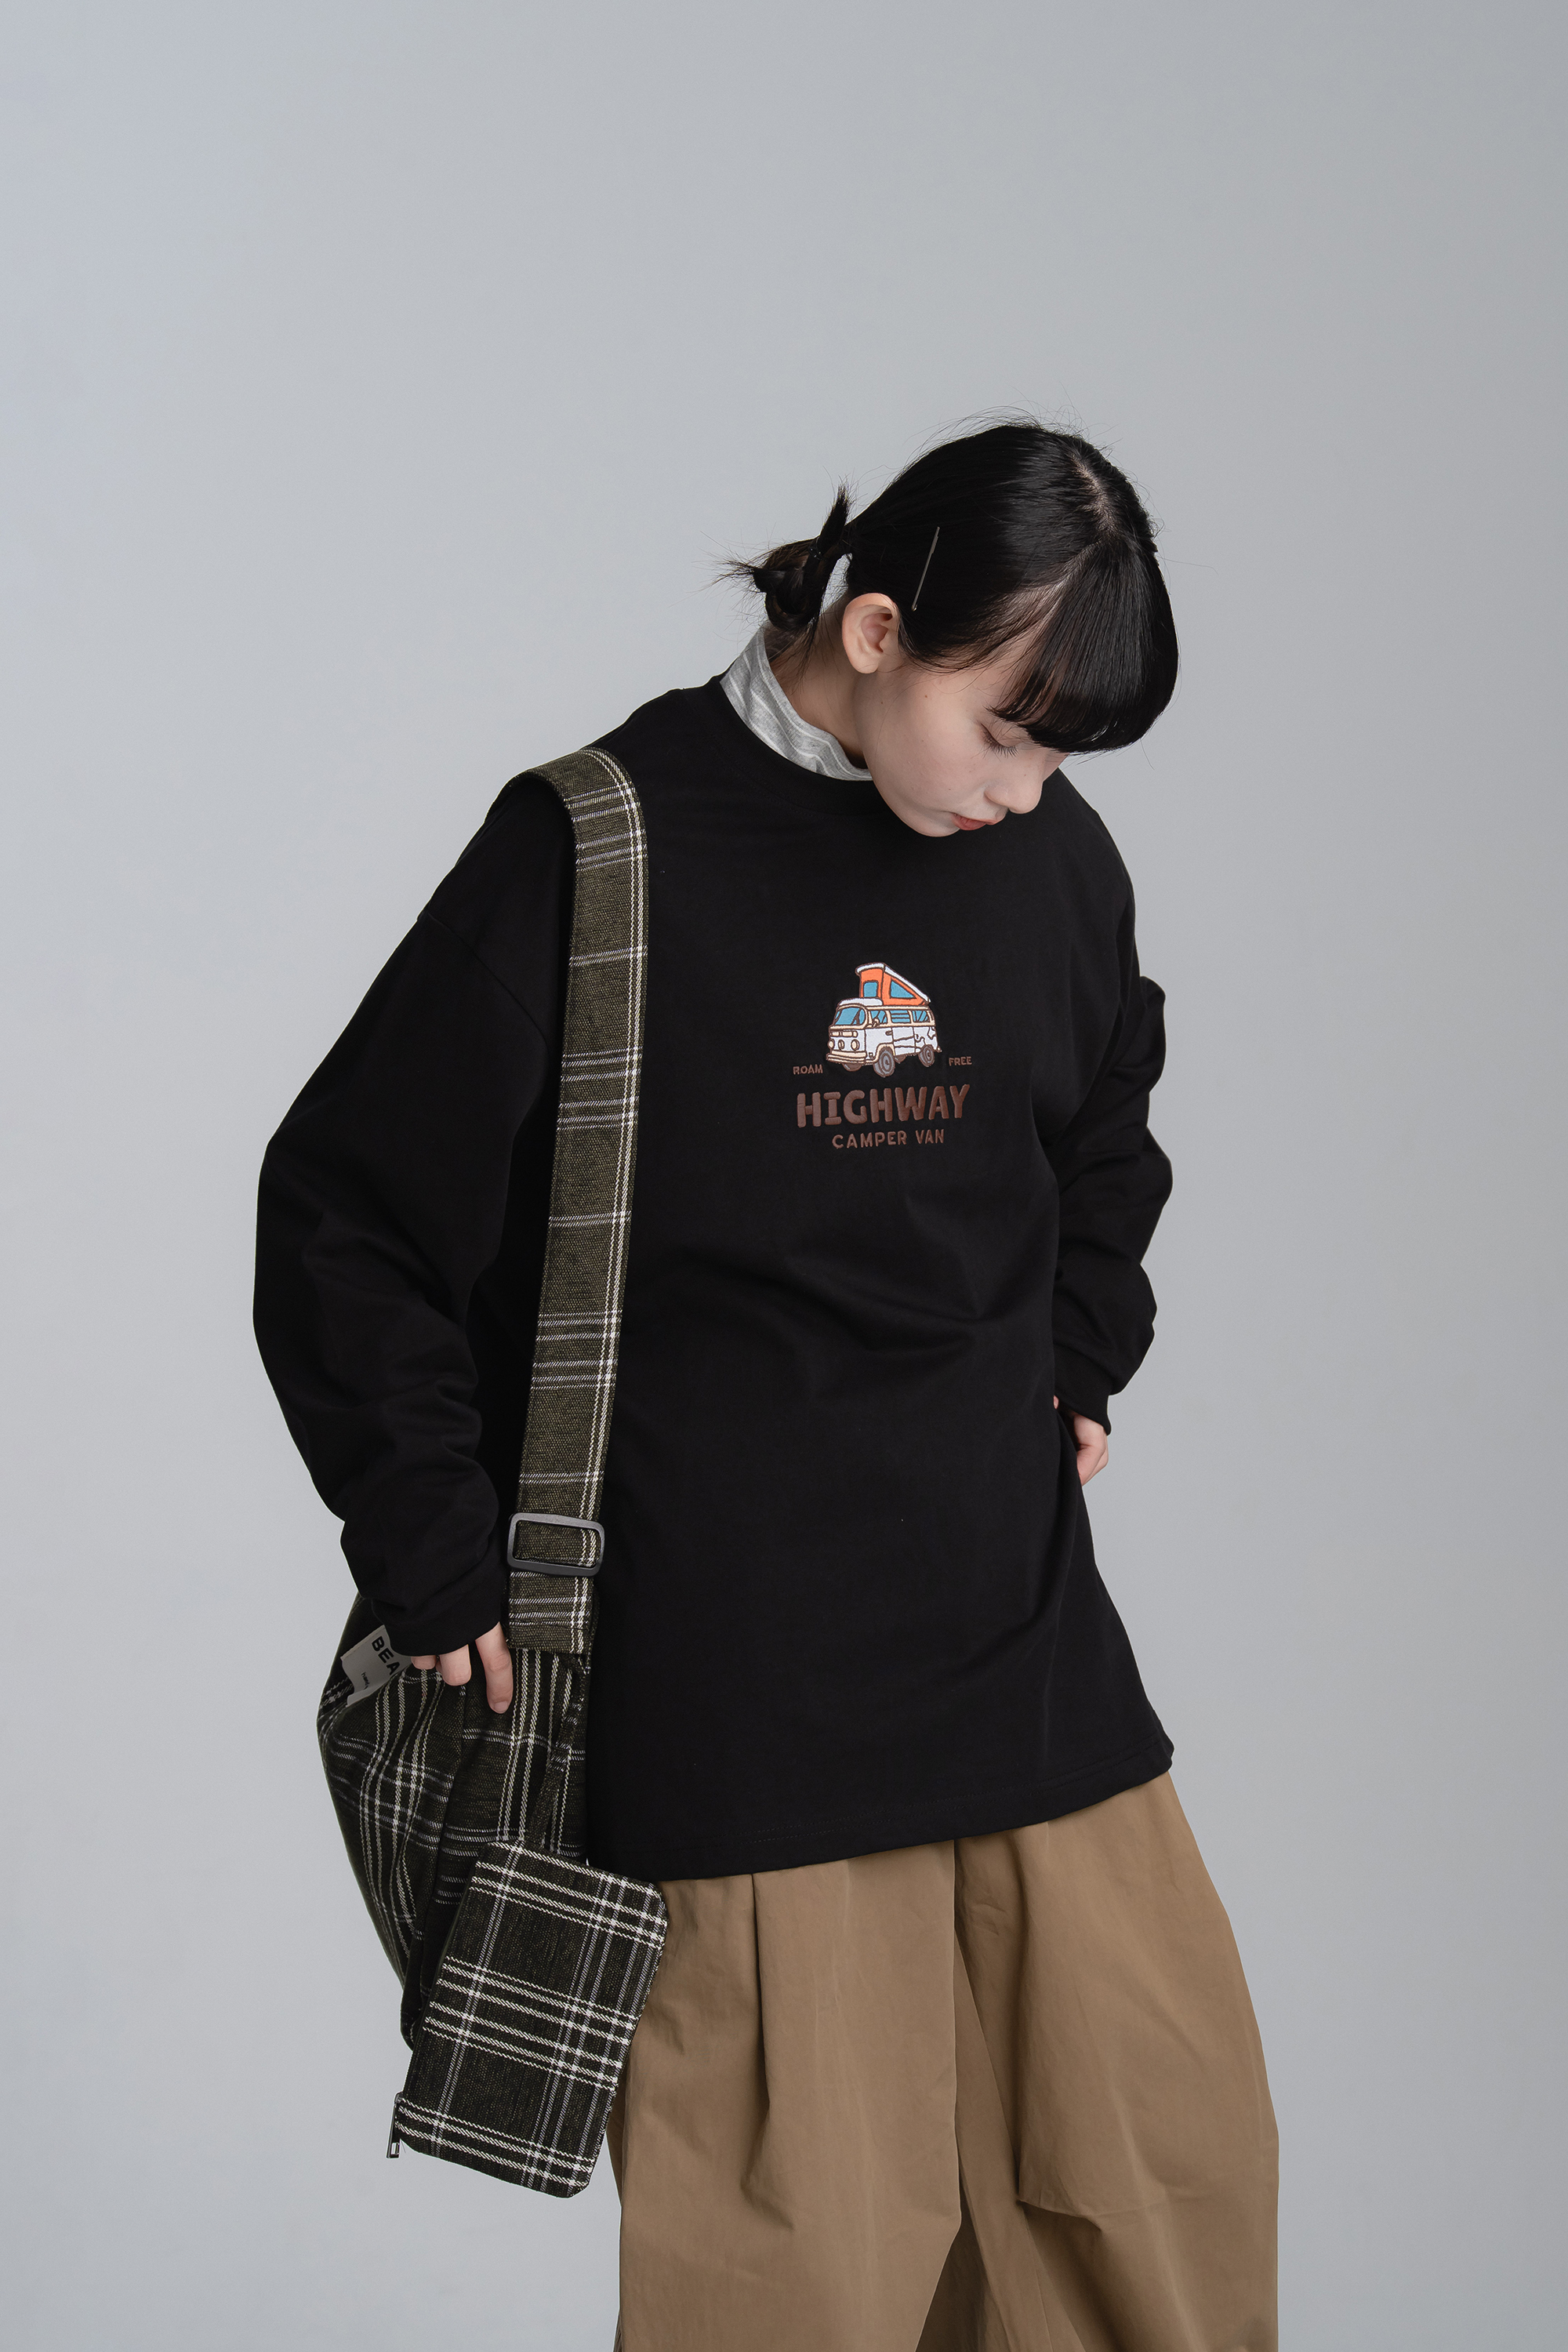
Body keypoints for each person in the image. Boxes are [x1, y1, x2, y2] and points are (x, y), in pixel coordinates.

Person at [255, 418, 1278, 2351]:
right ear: (877, 631)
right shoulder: (599, 847)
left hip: (1023, 1653)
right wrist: (430, 1538)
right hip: (729, 1696)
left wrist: (1080, 1346)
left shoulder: (1046, 859)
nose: (1030, 793)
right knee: (802, 2280)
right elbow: (347, 1215)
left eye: (1064, 758)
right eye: (1007, 732)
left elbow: (1106, 1121)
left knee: (1160, 2202)